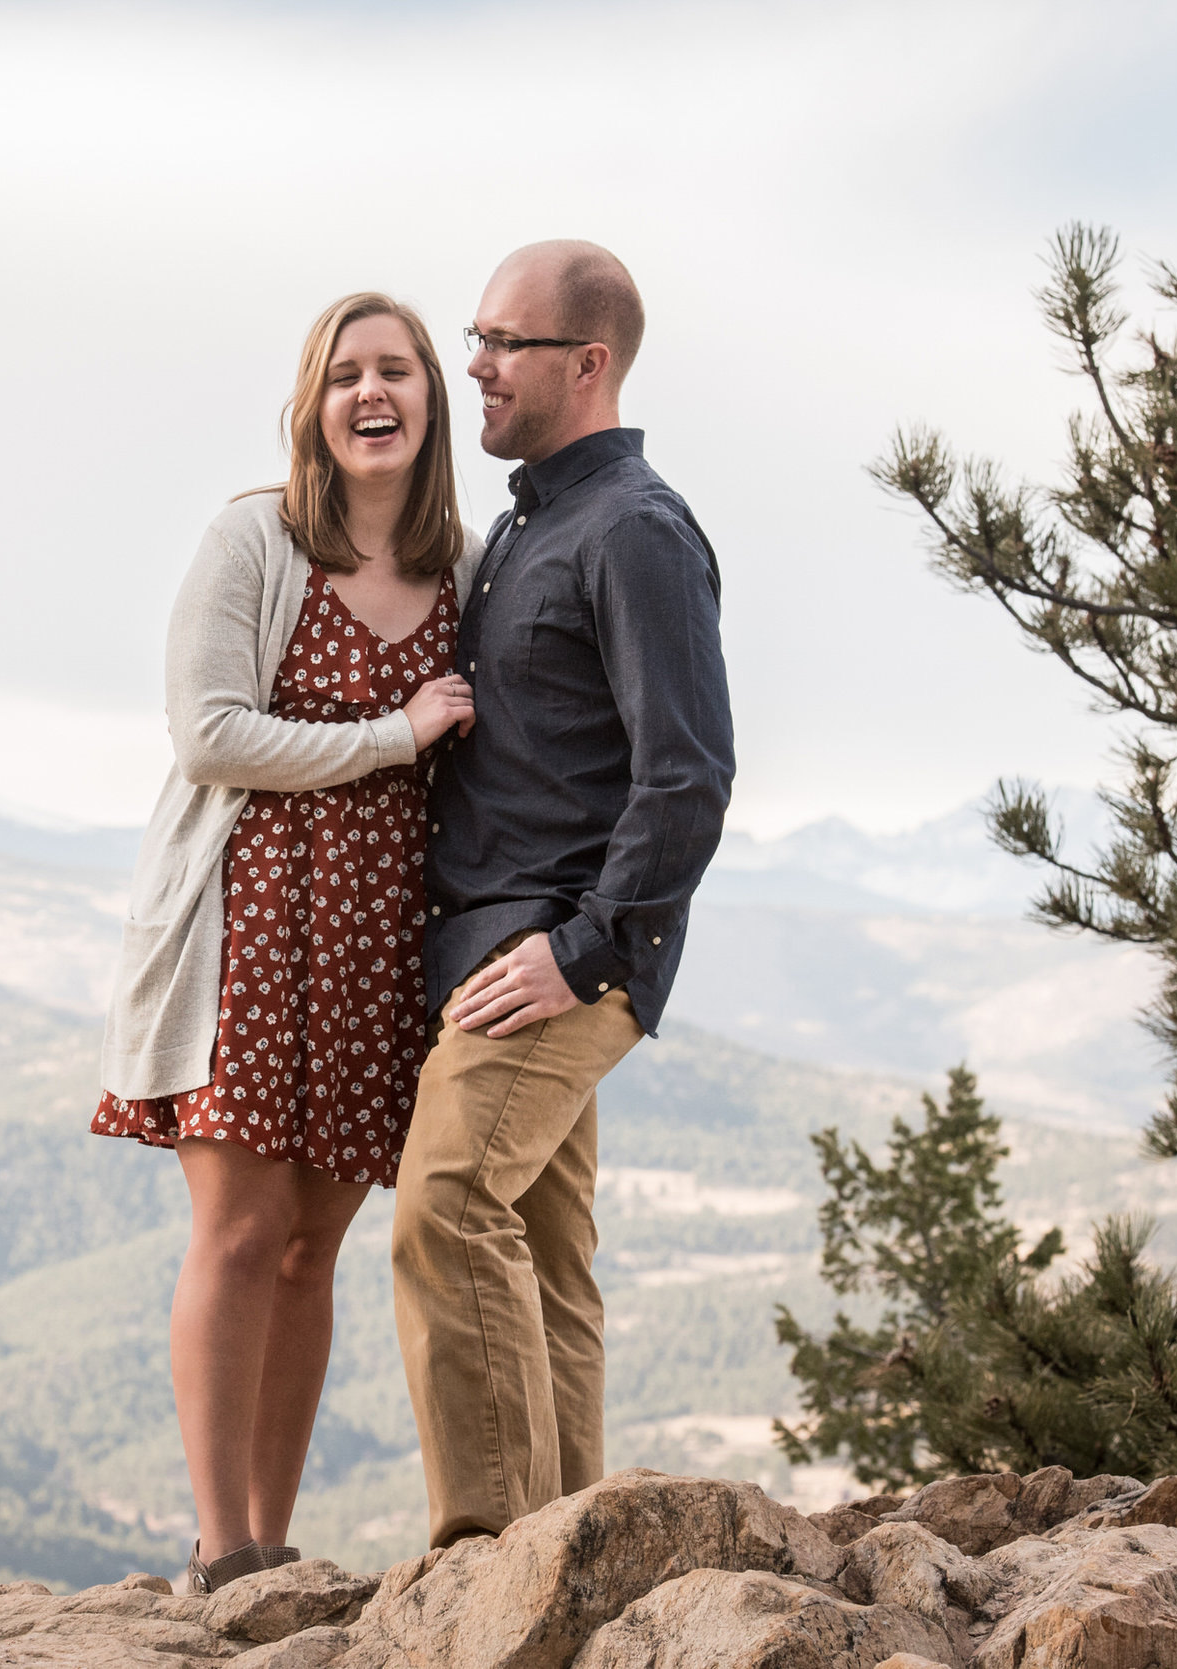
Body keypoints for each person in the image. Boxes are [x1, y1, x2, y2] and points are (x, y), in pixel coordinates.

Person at [93, 291, 482, 1594]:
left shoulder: (460, 568)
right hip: (249, 921)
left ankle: (272, 1542)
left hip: (383, 945)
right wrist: (391, 735)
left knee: (317, 1246)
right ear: (313, 407)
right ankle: (216, 1545)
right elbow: (208, 731)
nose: (373, 394)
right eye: (347, 375)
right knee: (242, 1232)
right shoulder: (256, 536)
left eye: (398, 371)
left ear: (432, 400)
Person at [391, 241, 735, 1548]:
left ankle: (491, 1560)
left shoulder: (637, 529)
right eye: (473, 336)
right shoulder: (531, 521)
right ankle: (577, 1559)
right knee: (543, 1266)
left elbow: (688, 771)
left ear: (586, 365)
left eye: (502, 343)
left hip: (556, 957)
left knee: (445, 1207)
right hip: (495, 943)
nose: (470, 364)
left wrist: (589, 951)